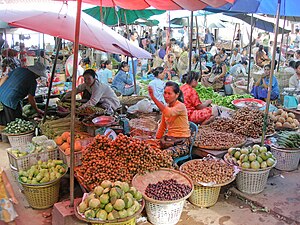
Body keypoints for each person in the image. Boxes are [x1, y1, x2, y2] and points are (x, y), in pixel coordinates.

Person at [148, 81, 190, 158]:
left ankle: (173, 169)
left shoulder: (181, 106)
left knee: (162, 155)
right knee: (148, 149)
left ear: (177, 95)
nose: (166, 96)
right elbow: (162, 127)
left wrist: (154, 98)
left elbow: (168, 113)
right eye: (165, 93)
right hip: (169, 140)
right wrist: (156, 140)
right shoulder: (167, 107)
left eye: (169, 93)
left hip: (181, 143)